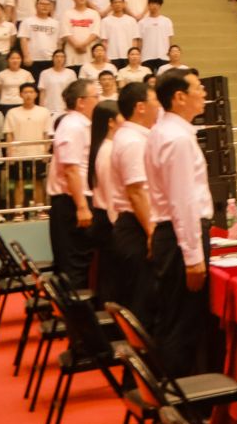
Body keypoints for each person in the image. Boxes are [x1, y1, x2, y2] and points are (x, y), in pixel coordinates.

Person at [144, 67, 213, 374]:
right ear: (179, 97)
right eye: (198, 88)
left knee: (174, 317)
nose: (204, 93)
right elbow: (182, 201)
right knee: (182, 322)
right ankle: (179, 392)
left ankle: (170, 386)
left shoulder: (164, 132)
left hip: (170, 234)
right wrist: (193, 257)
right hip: (178, 237)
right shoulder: (177, 139)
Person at [93, 82, 157, 321]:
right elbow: (136, 191)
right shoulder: (132, 141)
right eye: (155, 101)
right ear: (140, 107)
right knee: (141, 299)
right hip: (134, 225)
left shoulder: (130, 137)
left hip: (130, 222)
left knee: (136, 294)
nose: (159, 106)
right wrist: (151, 232)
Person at [44, 78, 96, 288]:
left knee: (81, 260)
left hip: (75, 199)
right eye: (95, 97)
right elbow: (71, 169)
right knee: (74, 263)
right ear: (81, 102)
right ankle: (74, 308)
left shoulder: (80, 124)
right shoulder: (73, 126)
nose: (98, 101)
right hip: (71, 201)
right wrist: (82, 206)